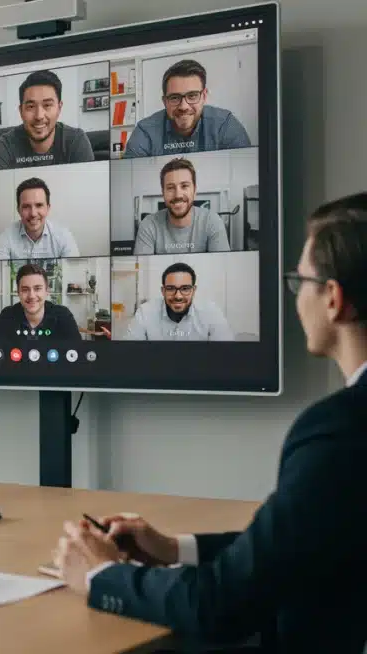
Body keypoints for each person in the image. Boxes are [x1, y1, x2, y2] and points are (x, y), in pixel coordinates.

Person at [53, 192, 367, 653]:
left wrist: (103, 575)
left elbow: (220, 606)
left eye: (299, 280)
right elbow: (291, 546)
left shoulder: (337, 432)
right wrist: (171, 548)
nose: (296, 294)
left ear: (334, 299)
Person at [123, 59, 252, 158]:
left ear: (204, 96)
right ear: (165, 101)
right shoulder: (145, 131)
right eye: (174, 97)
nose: (184, 106)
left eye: (192, 96)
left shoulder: (225, 125)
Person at [0, 70, 94, 170]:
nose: (39, 116)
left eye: (47, 105)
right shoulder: (6, 145)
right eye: (31, 107)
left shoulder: (76, 141)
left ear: (59, 108)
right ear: (21, 111)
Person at [134, 157, 231, 255]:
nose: (178, 195)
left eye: (184, 186)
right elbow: (142, 269)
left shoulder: (212, 221)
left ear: (194, 191)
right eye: (170, 188)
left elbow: (222, 268)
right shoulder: (148, 225)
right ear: (163, 193)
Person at [123, 262, 234, 341]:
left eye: (185, 289)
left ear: (193, 290)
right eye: (171, 289)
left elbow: (225, 354)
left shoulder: (211, 312)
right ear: (163, 291)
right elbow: (131, 353)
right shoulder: (145, 312)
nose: (178, 296)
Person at [0, 177, 81, 261]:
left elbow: (75, 272)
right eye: (26, 207)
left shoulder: (64, 236)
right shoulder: (5, 237)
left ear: (48, 208)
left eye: (39, 205)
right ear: (18, 210)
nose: (33, 213)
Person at [0, 263, 81, 341]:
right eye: (25, 290)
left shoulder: (63, 316)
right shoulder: (7, 316)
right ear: (18, 292)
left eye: (37, 289)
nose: (32, 296)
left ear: (47, 291)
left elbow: (77, 354)